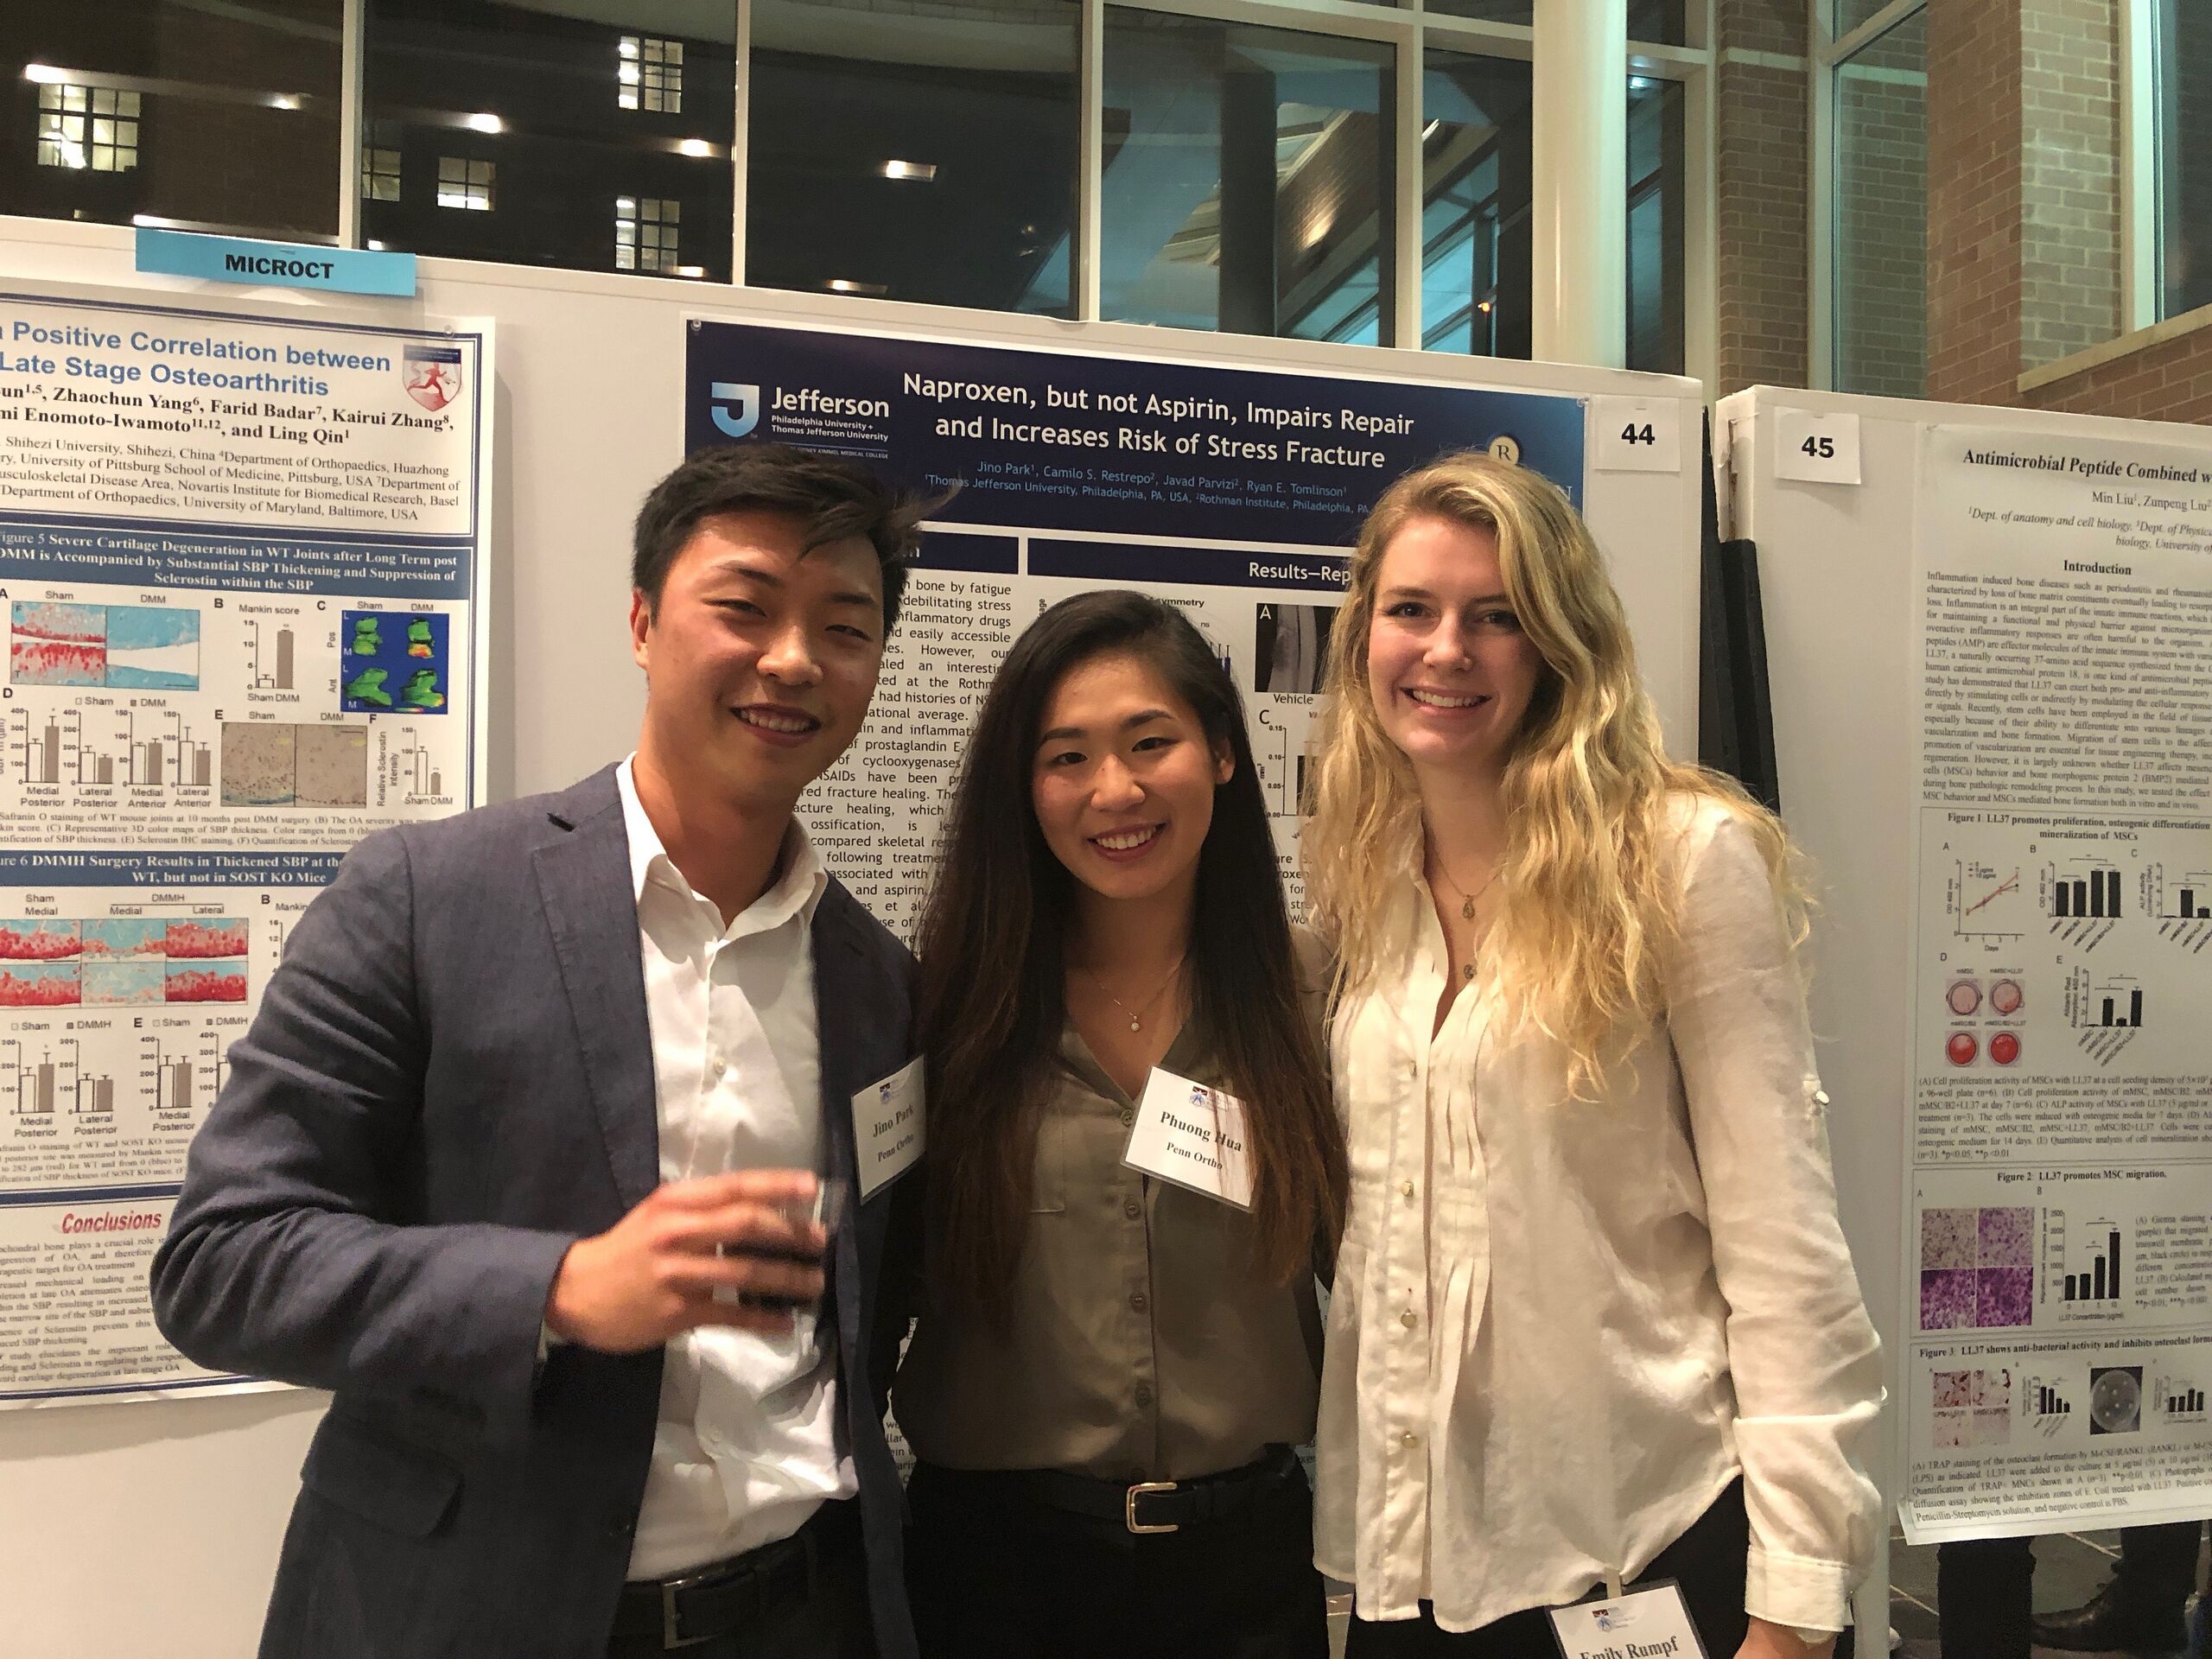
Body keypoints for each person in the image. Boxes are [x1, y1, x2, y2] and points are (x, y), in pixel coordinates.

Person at [150, 442, 931, 1659]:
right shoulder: (426, 898)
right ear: (642, 621)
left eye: (844, 627)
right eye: (744, 607)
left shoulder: (877, 980)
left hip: (801, 1609)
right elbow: (221, 1263)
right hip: (476, 1613)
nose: (793, 660)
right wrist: (558, 1290)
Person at [1300, 453, 1885, 1657]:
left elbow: (1784, 1250)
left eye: (1496, 615)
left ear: (1560, 642)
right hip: (1413, 1566)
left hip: (1638, 1549)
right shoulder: (1363, 876)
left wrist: (1794, 1605)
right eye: (1412, 610)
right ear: (1364, 636)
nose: (1446, 650)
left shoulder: (1679, 859)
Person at [893, 589, 1348, 1658]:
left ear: (1222, 753)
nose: (1115, 790)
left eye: (1150, 742)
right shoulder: (947, 1012)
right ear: (1023, 787)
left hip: (1245, 1575)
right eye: (1067, 758)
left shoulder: (1311, 996)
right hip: (994, 1580)